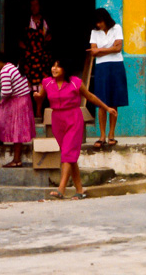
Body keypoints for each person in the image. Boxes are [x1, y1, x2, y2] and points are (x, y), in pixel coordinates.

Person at [34, 58, 116, 200]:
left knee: (67, 153)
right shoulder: (46, 82)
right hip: (57, 121)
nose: (54, 69)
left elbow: (90, 96)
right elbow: (41, 97)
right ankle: (80, 190)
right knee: (70, 156)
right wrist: (37, 99)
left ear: (65, 69)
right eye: (53, 66)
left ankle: (61, 189)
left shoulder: (75, 82)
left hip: (74, 119)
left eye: (58, 66)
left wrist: (106, 108)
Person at [88, 8, 128, 148]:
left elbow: (118, 48)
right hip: (102, 67)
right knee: (101, 102)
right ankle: (102, 135)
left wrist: (100, 50)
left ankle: (111, 134)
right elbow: (94, 52)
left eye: (100, 22)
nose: (98, 25)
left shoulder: (117, 28)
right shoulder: (94, 32)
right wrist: (107, 49)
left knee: (114, 100)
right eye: (97, 23)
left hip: (116, 66)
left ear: (105, 19)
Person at [0, 50, 35, 168]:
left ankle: (16, 159)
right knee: (17, 130)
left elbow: (6, 91)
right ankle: (15, 157)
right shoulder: (11, 66)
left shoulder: (5, 71)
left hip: (17, 101)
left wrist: (1, 101)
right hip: (23, 100)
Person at [19, 0, 52, 118]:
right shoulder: (24, 22)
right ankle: (29, 111)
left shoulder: (46, 21)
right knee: (29, 86)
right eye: (31, 5)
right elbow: (19, 41)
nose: (33, 8)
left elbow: (51, 37)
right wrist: (26, 49)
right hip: (29, 59)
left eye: (36, 5)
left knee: (43, 84)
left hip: (43, 58)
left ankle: (39, 111)